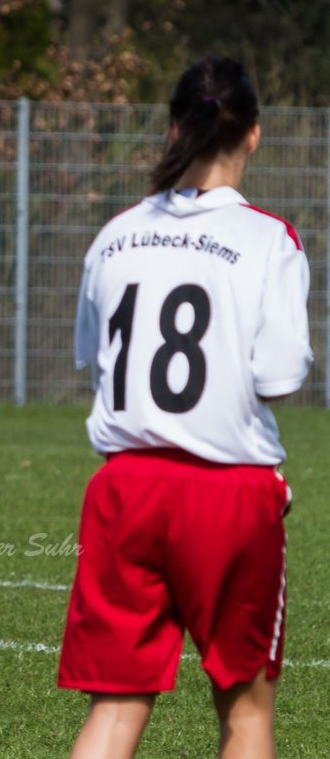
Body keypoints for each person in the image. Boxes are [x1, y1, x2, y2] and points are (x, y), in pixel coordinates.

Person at [60, 57, 311, 758]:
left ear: (174, 128)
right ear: (253, 136)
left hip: (126, 488)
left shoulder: (114, 235)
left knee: (114, 709)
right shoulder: (269, 239)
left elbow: (99, 361)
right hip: (227, 494)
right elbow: (279, 377)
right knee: (245, 713)